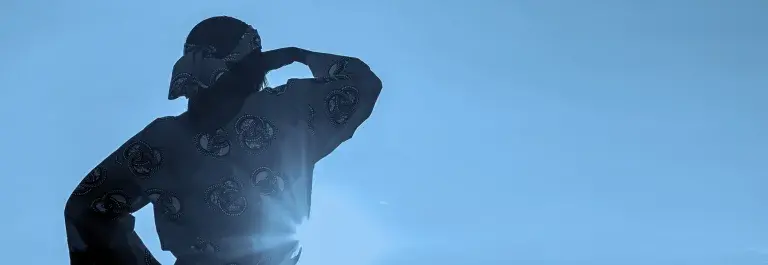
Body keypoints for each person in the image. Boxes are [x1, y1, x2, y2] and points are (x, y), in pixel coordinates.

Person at [64, 16, 383, 265]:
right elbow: (361, 83)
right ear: (253, 64)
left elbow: (85, 210)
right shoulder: (285, 111)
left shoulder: (160, 140)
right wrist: (297, 56)